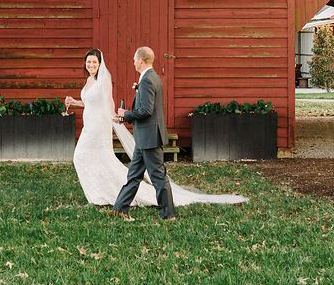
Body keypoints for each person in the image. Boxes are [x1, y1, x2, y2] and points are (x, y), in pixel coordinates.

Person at [66, 47, 245, 214]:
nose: (133, 62)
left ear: (141, 60)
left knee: (156, 176)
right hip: (142, 135)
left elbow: (144, 110)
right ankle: (119, 208)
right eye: (88, 62)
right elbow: (95, 102)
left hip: (144, 135)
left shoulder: (146, 80)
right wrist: (76, 102)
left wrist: (124, 115)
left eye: (135, 59)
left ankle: (167, 212)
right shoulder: (150, 78)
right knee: (134, 175)